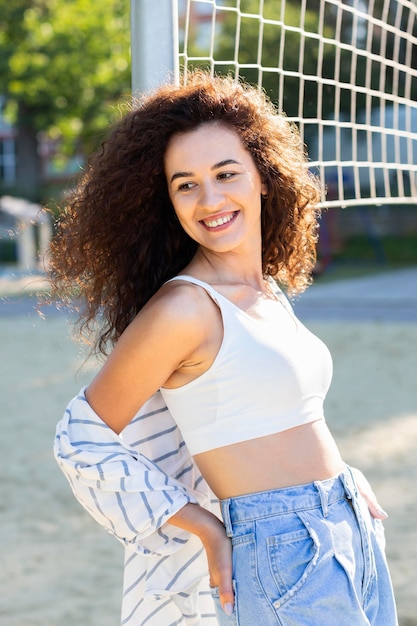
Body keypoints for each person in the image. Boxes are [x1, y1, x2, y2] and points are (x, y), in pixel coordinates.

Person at [50, 71, 397, 626]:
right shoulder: (184, 309)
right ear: (167, 199)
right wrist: (200, 522)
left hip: (348, 526)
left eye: (226, 173)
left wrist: (342, 484)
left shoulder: (267, 291)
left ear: (263, 177)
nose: (209, 199)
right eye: (185, 184)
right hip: (283, 550)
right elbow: (80, 439)